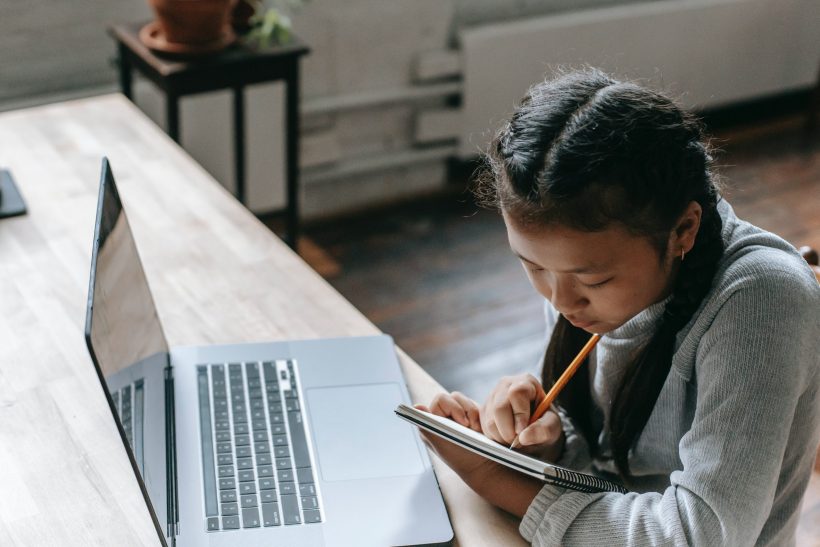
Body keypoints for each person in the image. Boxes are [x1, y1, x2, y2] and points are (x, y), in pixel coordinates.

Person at [417, 69, 820, 546]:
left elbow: (700, 535)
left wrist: (493, 479)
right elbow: (605, 457)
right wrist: (552, 441)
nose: (560, 301)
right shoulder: (583, 278)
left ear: (684, 230)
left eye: (594, 280)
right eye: (533, 267)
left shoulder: (760, 301)